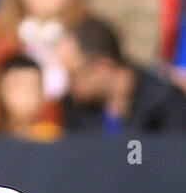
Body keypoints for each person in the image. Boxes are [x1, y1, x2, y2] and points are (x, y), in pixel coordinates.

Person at [57, 16, 186, 133]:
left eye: (72, 75)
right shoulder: (75, 108)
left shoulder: (165, 101)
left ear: (102, 68)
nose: (68, 85)